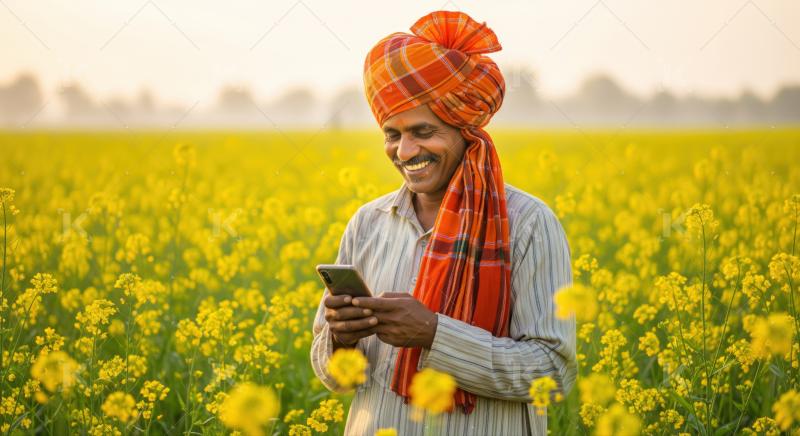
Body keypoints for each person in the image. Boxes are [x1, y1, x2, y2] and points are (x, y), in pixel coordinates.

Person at [310, 10, 576, 435]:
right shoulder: (368, 223)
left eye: (423, 131)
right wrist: (342, 340)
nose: (405, 151)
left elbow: (552, 374)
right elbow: (337, 378)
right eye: (392, 134)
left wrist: (434, 333)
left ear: (466, 131)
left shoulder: (527, 224)